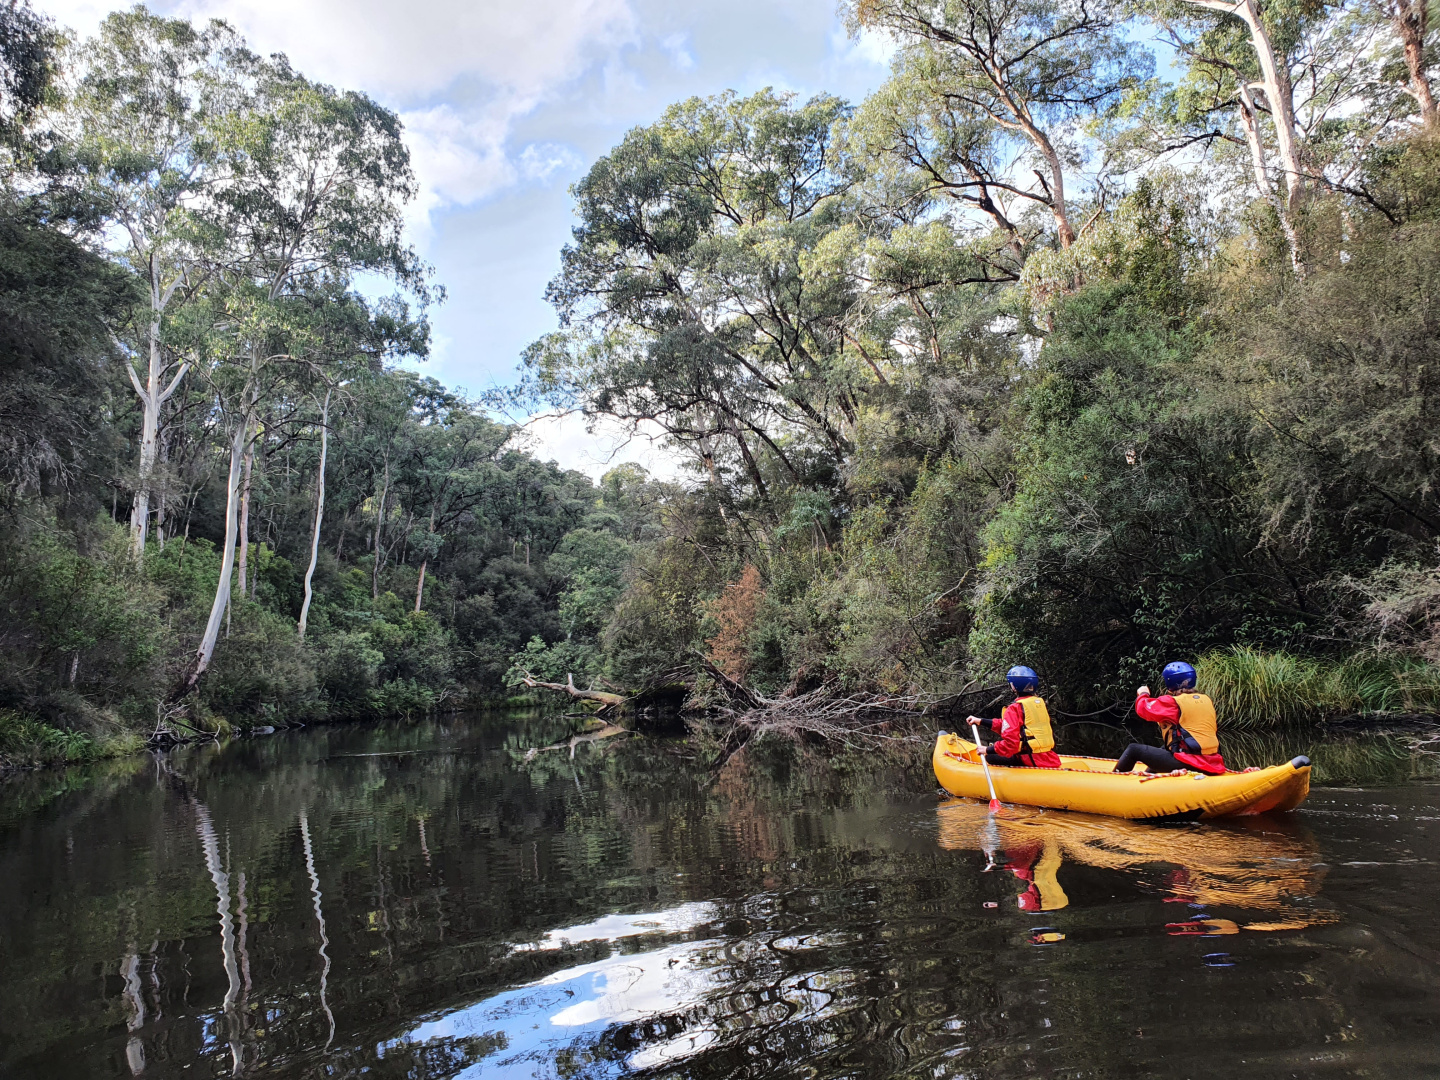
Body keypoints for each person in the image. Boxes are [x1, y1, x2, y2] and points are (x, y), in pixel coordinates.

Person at [1113, 661, 1227, 775]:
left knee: (1133, 750)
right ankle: (1150, 780)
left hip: (1190, 762)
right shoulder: (1205, 699)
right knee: (1166, 747)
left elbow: (1143, 709)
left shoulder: (1173, 702)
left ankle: (1115, 781)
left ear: (1170, 683)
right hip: (1212, 761)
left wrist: (1143, 694)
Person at [966, 665, 1062, 769]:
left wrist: (987, 750)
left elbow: (1011, 745)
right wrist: (981, 721)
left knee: (990, 757)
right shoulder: (1038, 703)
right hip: (1047, 756)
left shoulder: (1015, 708)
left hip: (1029, 758)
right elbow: (1009, 726)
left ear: (1014, 686)